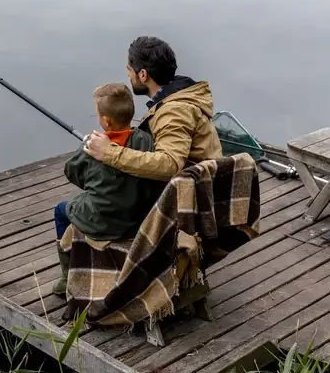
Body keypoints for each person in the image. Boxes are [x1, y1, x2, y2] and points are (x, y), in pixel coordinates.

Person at [52, 83, 160, 296]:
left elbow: (72, 172)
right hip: (136, 219)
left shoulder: (96, 147)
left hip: (104, 221)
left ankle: (66, 276)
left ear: (106, 121)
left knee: (60, 211)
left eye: (98, 115)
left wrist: (86, 147)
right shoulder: (145, 140)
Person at [84, 36, 223, 181]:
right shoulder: (179, 96)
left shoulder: (175, 110)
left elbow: (169, 164)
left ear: (143, 75)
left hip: (193, 194)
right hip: (197, 183)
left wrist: (109, 152)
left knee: (65, 205)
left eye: (130, 71)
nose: (128, 75)